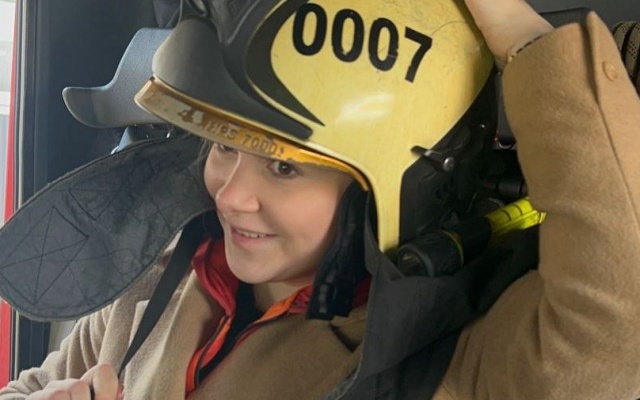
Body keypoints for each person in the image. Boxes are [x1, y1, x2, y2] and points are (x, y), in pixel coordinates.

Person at [1, 0, 640, 399]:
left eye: (283, 167)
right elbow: (30, 384)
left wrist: (527, 42)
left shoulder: (441, 360)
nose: (231, 194)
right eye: (222, 147)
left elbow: (614, 331)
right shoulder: (161, 280)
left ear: (384, 187)